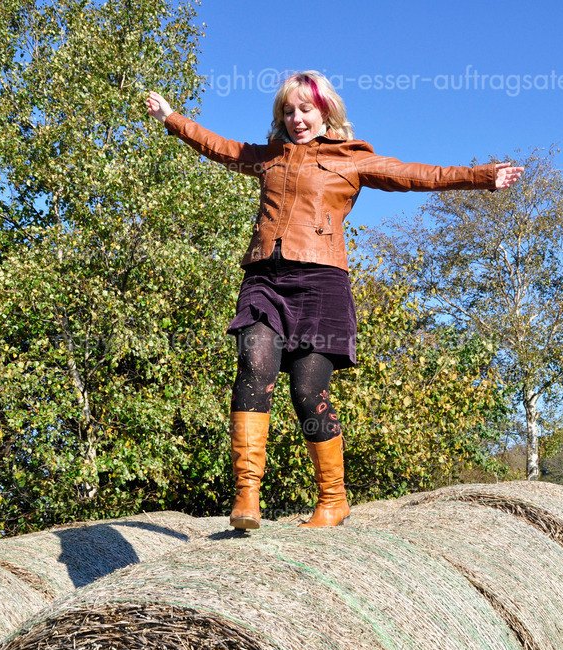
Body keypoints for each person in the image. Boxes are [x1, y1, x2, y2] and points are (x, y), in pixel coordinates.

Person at [146, 71, 522, 530]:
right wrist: (171, 118)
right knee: (254, 364)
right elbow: (219, 147)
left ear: (325, 112)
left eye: (305, 109)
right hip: (265, 277)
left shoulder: (351, 159)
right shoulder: (268, 158)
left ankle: (333, 499)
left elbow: (417, 175)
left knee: (307, 392)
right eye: (288, 110)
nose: (296, 118)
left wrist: (481, 177)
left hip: (321, 283)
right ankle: (246, 495)